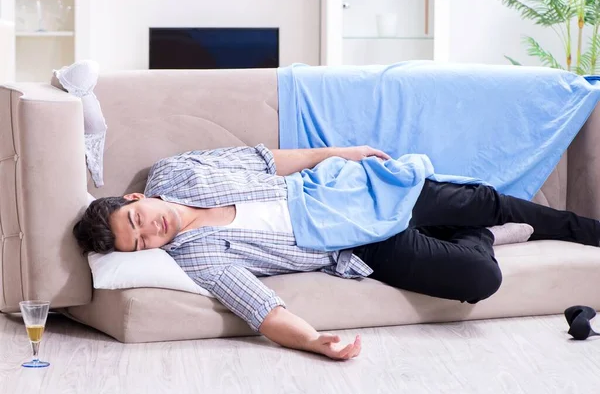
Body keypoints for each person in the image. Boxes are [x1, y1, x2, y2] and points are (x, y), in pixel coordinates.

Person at [73, 144, 600, 361]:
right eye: (140, 243)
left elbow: (272, 161)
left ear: (137, 198)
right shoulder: (196, 256)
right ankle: (469, 230)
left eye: (137, 220)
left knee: (485, 200)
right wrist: (313, 342)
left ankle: (585, 229)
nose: (151, 232)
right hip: (358, 241)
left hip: (346, 191)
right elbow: (261, 308)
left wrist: (344, 152)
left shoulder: (177, 171)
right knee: (479, 278)